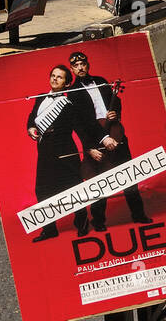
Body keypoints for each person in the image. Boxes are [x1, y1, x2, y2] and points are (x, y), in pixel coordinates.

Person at [69, 51, 151, 233]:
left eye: (83, 63)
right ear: (72, 69)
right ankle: (98, 221)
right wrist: (95, 143)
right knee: (99, 182)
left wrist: (115, 113)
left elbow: (117, 102)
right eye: (76, 65)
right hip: (94, 138)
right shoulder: (73, 93)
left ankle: (138, 214)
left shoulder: (101, 81)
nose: (80, 67)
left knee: (130, 176)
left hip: (115, 130)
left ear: (87, 64)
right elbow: (81, 124)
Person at [26, 64, 101, 243]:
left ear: (67, 84)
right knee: (42, 191)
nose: (54, 79)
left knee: (73, 191)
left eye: (59, 77)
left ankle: (81, 223)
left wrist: (90, 147)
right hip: (45, 154)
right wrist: (30, 127)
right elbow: (32, 117)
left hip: (66, 153)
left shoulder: (69, 105)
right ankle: (49, 229)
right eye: (53, 75)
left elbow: (81, 129)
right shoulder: (40, 99)